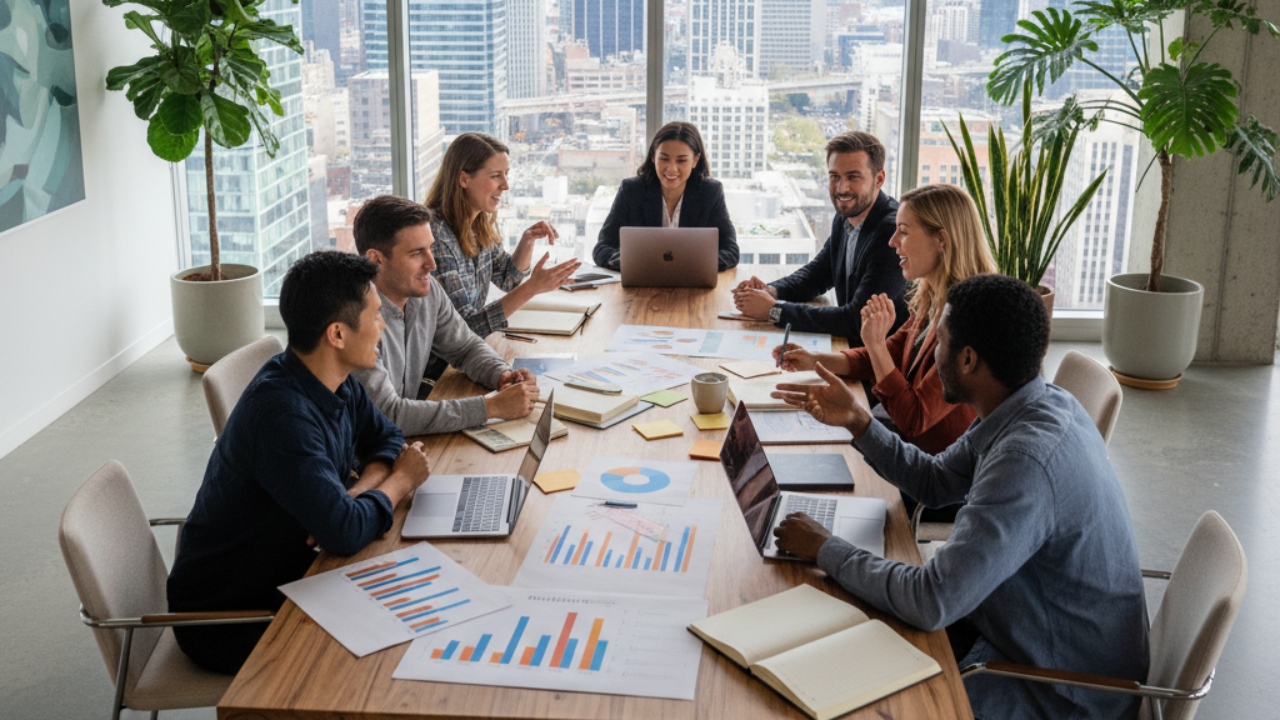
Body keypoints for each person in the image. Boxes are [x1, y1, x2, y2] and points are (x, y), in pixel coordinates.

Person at [771, 274, 1149, 720]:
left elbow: (931, 601)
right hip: (1021, 630)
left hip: (1062, 689)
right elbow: (935, 481)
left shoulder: (1025, 461)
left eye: (940, 342)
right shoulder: (1032, 403)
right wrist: (859, 422)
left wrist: (825, 548)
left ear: (968, 360)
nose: (931, 353)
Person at [167, 251, 432, 674]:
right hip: (233, 617)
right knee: (395, 654)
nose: (383, 326)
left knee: (417, 610)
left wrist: (363, 490)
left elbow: (387, 437)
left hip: (297, 574)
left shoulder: (336, 380)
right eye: (376, 316)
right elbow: (343, 531)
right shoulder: (282, 417)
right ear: (338, 334)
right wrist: (400, 480)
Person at [773, 184, 996, 456]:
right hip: (908, 448)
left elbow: (914, 419)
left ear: (941, 240)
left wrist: (875, 343)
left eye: (903, 232)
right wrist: (814, 360)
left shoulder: (967, 319)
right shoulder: (933, 297)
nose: (892, 242)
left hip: (935, 469)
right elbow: (882, 357)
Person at [351, 195, 540, 435]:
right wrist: (489, 407)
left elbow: (465, 347)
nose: (431, 263)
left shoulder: (427, 293)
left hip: (399, 444)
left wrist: (501, 374)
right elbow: (389, 415)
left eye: (430, 248)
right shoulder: (355, 319)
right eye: (417, 253)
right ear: (376, 259)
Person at [732, 131, 906, 342]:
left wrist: (774, 311)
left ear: (879, 179)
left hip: (880, 363)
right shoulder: (845, 218)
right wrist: (772, 291)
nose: (842, 188)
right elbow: (817, 275)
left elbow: (857, 319)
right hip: (851, 350)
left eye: (853, 177)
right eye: (835, 177)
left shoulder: (891, 234)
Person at [425, 132, 581, 340]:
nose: (506, 185)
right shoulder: (436, 238)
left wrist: (528, 239)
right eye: (495, 176)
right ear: (464, 179)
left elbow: (508, 279)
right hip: (441, 365)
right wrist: (533, 287)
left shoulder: (477, 224)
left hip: (470, 352)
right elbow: (464, 329)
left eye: (506, 174)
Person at [592, 121, 739, 272]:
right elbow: (602, 248)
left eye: (681, 160)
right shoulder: (632, 190)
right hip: (641, 284)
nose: (671, 169)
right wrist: (628, 261)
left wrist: (696, 265)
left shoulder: (711, 192)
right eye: (664, 159)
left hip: (693, 286)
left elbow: (731, 250)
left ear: (695, 160)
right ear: (653, 157)